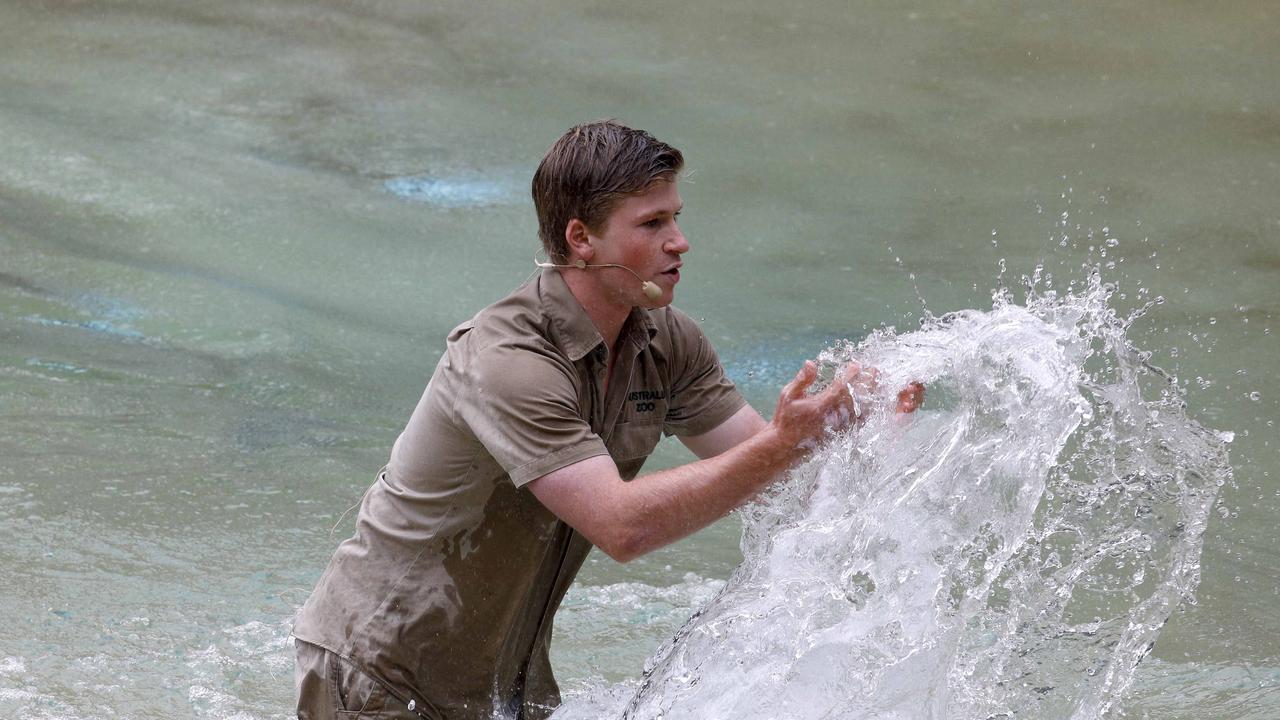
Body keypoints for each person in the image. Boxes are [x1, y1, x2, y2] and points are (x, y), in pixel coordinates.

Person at [292, 120, 924, 720]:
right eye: (652, 223)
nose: (679, 241)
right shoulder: (507, 361)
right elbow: (623, 527)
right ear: (581, 238)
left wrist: (855, 434)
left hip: (504, 681)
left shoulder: (668, 341)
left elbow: (772, 473)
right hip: (379, 673)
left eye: (676, 217)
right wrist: (785, 446)